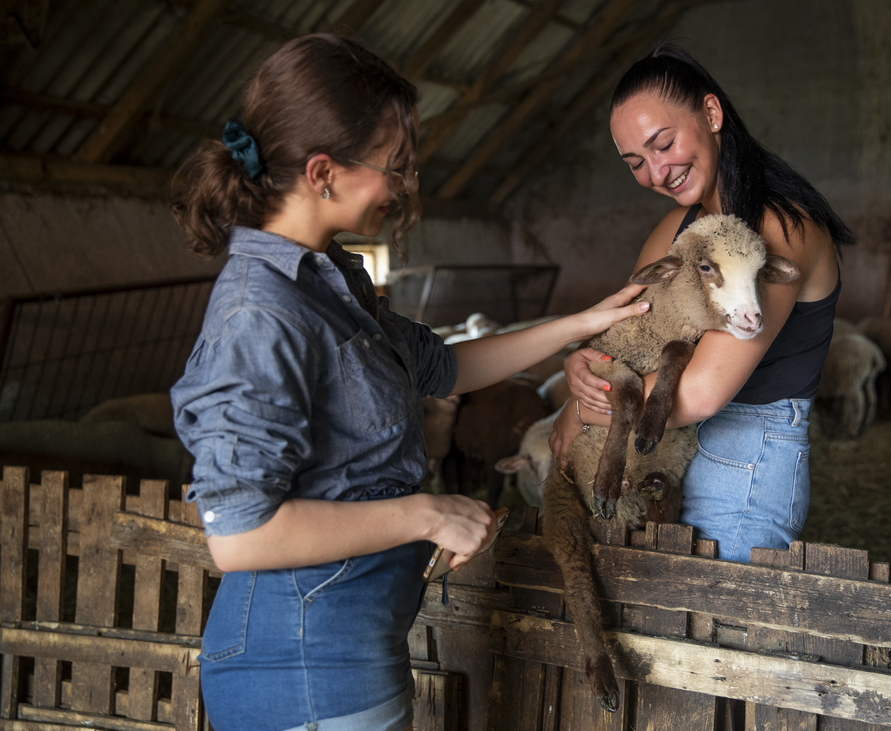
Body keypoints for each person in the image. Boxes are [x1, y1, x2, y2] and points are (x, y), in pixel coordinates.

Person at [169, 34, 648, 731]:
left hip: (348, 652)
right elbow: (241, 535)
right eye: (393, 167)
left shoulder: (329, 282)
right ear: (323, 172)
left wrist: (578, 324)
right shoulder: (259, 310)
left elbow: (444, 364)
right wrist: (426, 513)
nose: (402, 187)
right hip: (299, 666)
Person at [550, 44, 855, 563]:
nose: (656, 172)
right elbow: (628, 333)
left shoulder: (775, 230)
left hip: (744, 455)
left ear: (711, 115)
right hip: (670, 448)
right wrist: (583, 366)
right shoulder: (678, 229)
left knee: (713, 627)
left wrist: (581, 411)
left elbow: (701, 393)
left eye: (663, 144)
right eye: (635, 163)